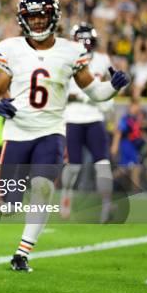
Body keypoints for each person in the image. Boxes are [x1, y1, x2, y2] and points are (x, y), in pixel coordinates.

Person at [0, 0, 130, 272]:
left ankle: (22, 253)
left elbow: (95, 93)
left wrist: (112, 87)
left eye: (43, 15)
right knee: (9, 204)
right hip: (17, 132)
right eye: (32, 16)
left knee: (42, 188)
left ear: (53, 16)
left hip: (51, 132)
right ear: (23, 18)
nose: (38, 21)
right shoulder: (10, 48)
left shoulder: (71, 51)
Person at [60, 23, 115, 222]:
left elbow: (113, 83)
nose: (84, 45)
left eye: (87, 41)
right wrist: (77, 97)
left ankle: (107, 206)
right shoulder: (65, 60)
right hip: (73, 118)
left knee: (102, 163)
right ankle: (66, 196)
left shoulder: (102, 60)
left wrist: (108, 101)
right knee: (73, 166)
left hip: (95, 117)